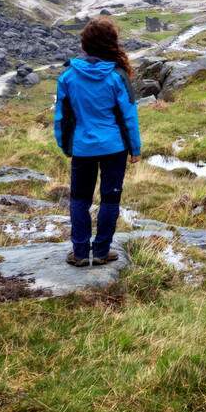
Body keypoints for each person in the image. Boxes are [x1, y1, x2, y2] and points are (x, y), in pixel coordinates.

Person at [52, 16, 142, 267]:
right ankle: (102, 251)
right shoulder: (117, 76)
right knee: (110, 199)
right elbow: (129, 116)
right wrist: (135, 149)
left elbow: (61, 116)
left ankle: (80, 253)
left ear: (86, 44)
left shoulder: (68, 76)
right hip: (114, 147)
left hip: (82, 147)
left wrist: (64, 144)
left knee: (80, 199)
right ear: (111, 43)